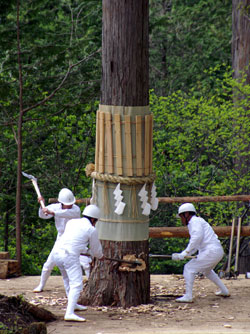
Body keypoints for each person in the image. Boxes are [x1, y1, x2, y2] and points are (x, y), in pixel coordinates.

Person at [52, 204, 104, 322]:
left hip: (57, 253)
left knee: (67, 279)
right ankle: (69, 313)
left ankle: (73, 305)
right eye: (95, 221)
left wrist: (86, 251)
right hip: (69, 256)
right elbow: (96, 250)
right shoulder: (91, 229)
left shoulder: (72, 222)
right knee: (77, 284)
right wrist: (100, 256)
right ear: (93, 219)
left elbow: (74, 240)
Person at [172, 203, 230, 303]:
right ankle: (224, 291)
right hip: (215, 251)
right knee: (207, 271)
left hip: (211, 251)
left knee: (189, 268)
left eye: (181, 216)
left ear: (186, 214)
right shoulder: (197, 221)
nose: (181, 220)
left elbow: (196, 238)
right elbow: (196, 244)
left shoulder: (194, 222)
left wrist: (185, 252)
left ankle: (188, 296)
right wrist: (183, 254)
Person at [33, 188, 81, 293]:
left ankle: (80, 286)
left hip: (74, 239)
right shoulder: (55, 207)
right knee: (48, 264)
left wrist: (52, 212)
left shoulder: (76, 209)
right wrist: (42, 206)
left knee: (83, 263)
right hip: (60, 239)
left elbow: (64, 213)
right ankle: (41, 285)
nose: (69, 205)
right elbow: (42, 215)